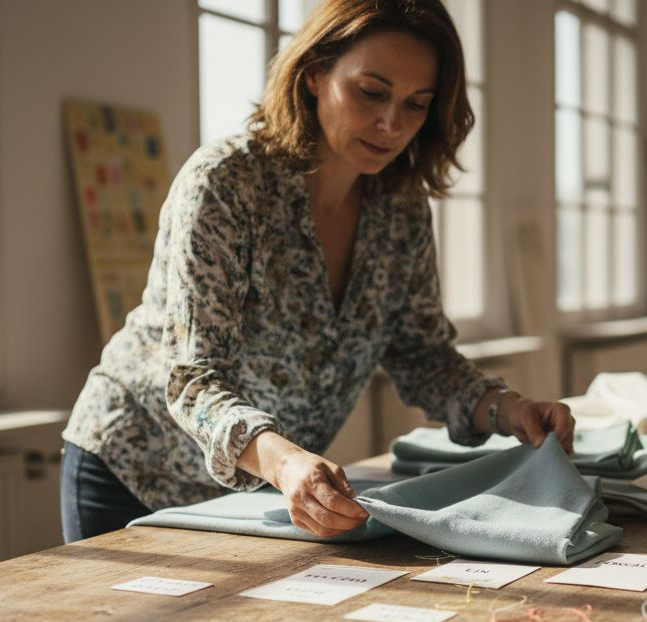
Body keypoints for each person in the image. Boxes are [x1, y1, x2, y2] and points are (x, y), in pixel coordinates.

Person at [62, 0, 573, 560]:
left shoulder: (401, 209)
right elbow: (194, 379)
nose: (392, 124)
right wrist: (284, 462)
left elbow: (422, 355)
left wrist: (507, 408)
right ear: (314, 74)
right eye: (371, 92)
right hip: (132, 473)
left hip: (258, 494)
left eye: (416, 104)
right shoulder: (227, 184)